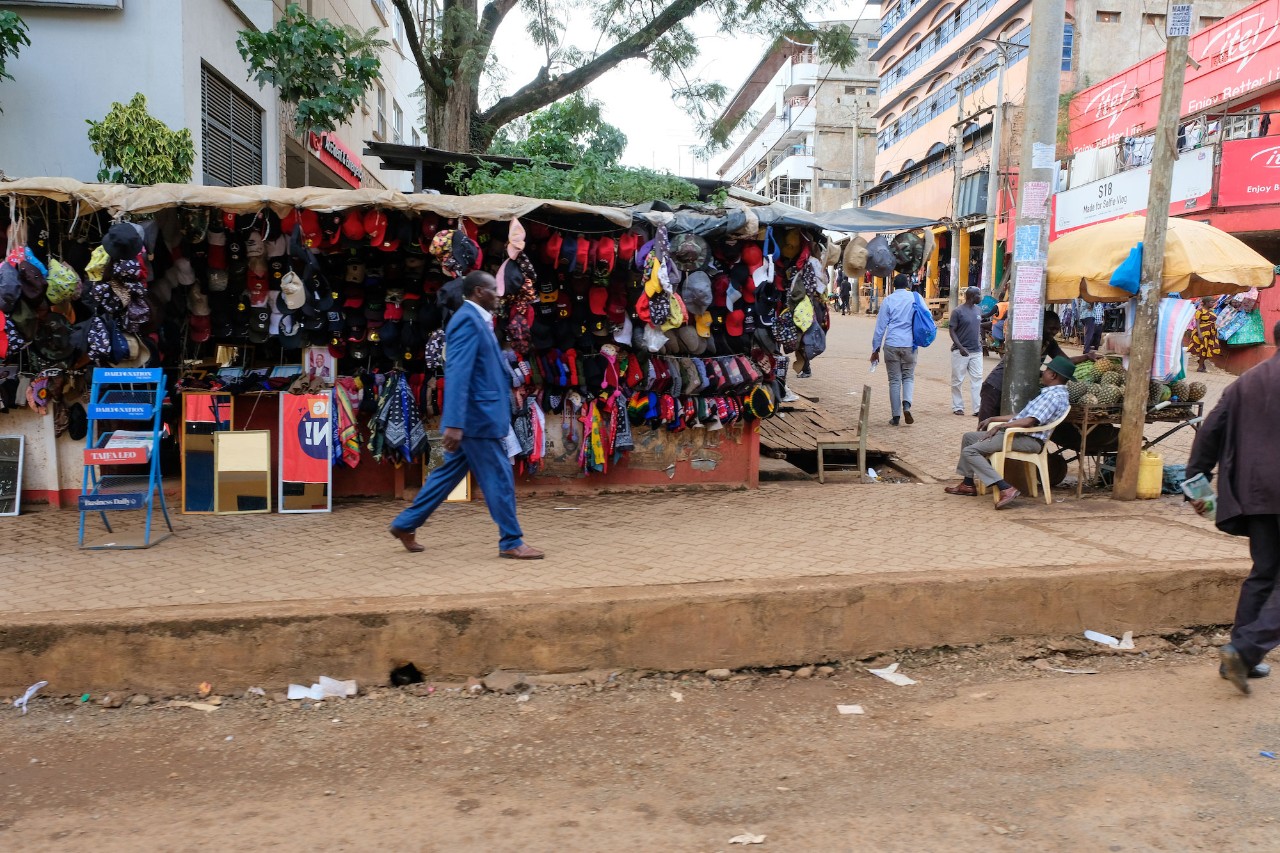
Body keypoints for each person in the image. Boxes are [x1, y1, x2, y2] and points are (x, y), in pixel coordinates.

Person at [388, 271, 543, 559]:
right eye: (492, 289)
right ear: (478, 292)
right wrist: (455, 423)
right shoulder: (466, 321)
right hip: (476, 420)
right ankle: (511, 541)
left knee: (447, 475)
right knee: (499, 478)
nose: (497, 294)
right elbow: (458, 372)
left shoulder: (476, 319)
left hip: (478, 416)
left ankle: (405, 524)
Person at [1186, 324, 1280, 694]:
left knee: (1264, 572)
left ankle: (1241, 660)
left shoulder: (1245, 381)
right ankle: (1245, 648)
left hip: (1253, 492)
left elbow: (1209, 432)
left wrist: (1196, 485)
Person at [944, 356, 1074, 509]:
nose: (1043, 373)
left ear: (1053, 376)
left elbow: (1029, 421)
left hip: (1028, 440)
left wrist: (1001, 426)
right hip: (1020, 434)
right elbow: (1022, 415)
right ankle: (967, 484)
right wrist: (994, 418)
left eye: (1046, 371)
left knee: (970, 451)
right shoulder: (1052, 393)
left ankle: (1005, 487)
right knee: (969, 438)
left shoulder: (1052, 397)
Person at [976, 311, 1099, 423]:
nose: (1054, 332)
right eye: (1051, 328)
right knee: (985, 426)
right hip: (995, 386)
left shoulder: (1050, 342)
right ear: (1042, 325)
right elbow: (1023, 368)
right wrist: (1044, 373)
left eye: (1056, 329)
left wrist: (1087, 356)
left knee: (1002, 427)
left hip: (1016, 389)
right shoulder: (1028, 339)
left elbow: (1064, 361)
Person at [870, 274, 918, 426]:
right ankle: (907, 405)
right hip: (910, 344)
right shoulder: (915, 298)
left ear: (893, 285)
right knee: (908, 377)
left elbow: (880, 327)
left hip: (892, 344)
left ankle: (896, 416)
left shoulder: (888, 300)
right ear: (907, 284)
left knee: (894, 381)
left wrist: (875, 349)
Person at [950, 286, 983, 416]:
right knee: (957, 380)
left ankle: (978, 409)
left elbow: (978, 326)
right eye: (978, 295)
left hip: (976, 351)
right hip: (960, 352)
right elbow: (952, 330)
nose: (980, 297)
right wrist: (960, 347)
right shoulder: (958, 311)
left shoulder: (978, 310)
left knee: (977, 379)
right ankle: (958, 406)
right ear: (971, 296)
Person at [1189, 297, 1221, 372]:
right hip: (1202, 332)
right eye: (1211, 302)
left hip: (1211, 333)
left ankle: (1201, 362)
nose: (1213, 304)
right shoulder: (1200, 311)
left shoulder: (1212, 311)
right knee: (1203, 349)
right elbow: (1197, 323)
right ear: (1205, 303)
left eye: (1213, 302)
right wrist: (1200, 334)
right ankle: (1200, 366)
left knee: (1211, 349)